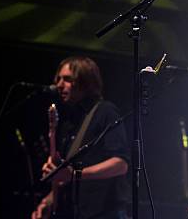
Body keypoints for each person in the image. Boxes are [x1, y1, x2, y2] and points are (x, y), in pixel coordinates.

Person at [31, 56, 129, 219]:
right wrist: (48, 201)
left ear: (86, 82)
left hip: (104, 213)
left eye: (68, 79)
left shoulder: (106, 112)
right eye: (59, 79)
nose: (59, 85)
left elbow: (121, 164)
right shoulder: (70, 121)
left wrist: (76, 174)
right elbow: (66, 177)